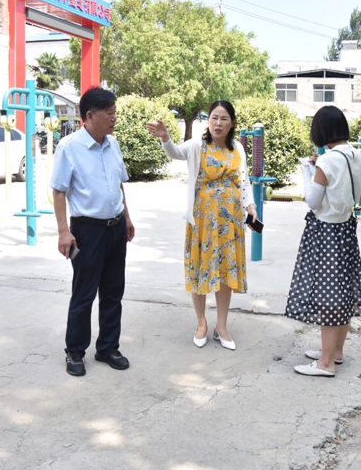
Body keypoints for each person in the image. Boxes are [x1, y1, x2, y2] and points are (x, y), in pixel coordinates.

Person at [145, 101, 257, 350]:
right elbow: (175, 152)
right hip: (203, 221)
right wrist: (165, 137)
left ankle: (222, 326)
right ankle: (201, 323)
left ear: (231, 123)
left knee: (225, 272)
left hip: (230, 222)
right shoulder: (198, 144)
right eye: (214, 117)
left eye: (224, 119)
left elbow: (244, 182)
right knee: (200, 270)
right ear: (208, 120)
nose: (218, 123)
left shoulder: (238, 148)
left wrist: (251, 207)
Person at [51, 87, 135, 377]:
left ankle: (108, 347)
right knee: (84, 293)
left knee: (113, 291)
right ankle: (75, 351)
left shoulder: (113, 144)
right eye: (109, 113)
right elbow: (58, 191)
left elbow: (118, 184)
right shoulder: (69, 147)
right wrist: (63, 231)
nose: (114, 118)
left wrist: (127, 217)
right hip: (87, 230)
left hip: (115, 228)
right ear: (90, 116)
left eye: (115, 113)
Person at [285, 105, 361, 377]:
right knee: (342, 293)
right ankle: (336, 352)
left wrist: (306, 170)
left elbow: (313, 200)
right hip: (346, 230)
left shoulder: (327, 160)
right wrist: (317, 166)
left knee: (328, 296)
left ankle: (326, 363)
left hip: (326, 233)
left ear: (321, 131)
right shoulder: (355, 154)